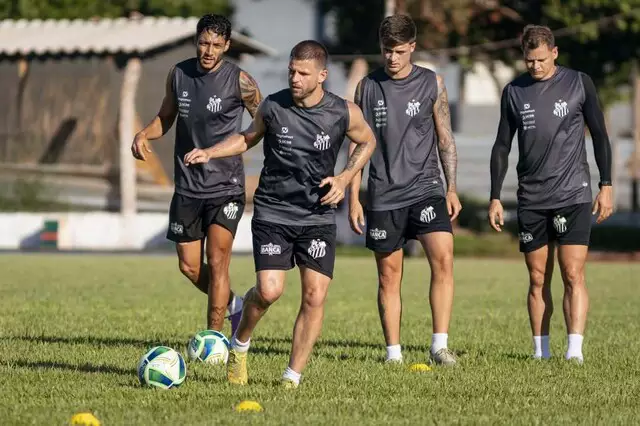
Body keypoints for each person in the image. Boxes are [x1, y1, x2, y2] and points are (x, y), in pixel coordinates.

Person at [184, 40, 376, 387]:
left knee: (315, 296)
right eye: (291, 71)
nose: (295, 78)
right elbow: (247, 138)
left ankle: (291, 376)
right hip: (273, 212)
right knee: (269, 291)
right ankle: (240, 344)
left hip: (317, 216)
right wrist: (211, 152)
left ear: (322, 75)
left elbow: (367, 140)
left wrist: (345, 178)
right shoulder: (273, 105)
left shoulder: (342, 111)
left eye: (303, 73)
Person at [131, 14, 263, 335]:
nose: (208, 51)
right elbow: (165, 117)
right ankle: (234, 304)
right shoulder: (179, 74)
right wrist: (143, 134)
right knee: (189, 266)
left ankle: (214, 338)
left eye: (216, 45)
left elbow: (263, 122)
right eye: (204, 43)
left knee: (217, 262)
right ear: (196, 41)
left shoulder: (240, 81)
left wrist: (240, 146)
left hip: (226, 186)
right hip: (188, 186)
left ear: (226, 46)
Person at [488, 25, 613, 363]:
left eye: (541, 60)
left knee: (572, 273)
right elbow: (502, 145)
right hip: (532, 198)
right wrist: (495, 195)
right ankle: (540, 352)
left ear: (554, 53)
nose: (536, 66)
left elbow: (600, 136)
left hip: (573, 194)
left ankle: (574, 351)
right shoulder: (514, 91)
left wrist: (606, 185)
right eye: (530, 60)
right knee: (537, 277)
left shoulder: (579, 83)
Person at [347, 14, 461, 366]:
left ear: (412, 47)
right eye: (386, 51)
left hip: (427, 188)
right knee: (388, 276)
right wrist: (354, 197)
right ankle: (393, 354)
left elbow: (445, 138)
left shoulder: (432, 83)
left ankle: (439, 346)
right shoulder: (367, 87)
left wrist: (451, 188)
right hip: (384, 194)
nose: (392, 58)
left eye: (398, 51)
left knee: (443, 258)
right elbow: (357, 144)